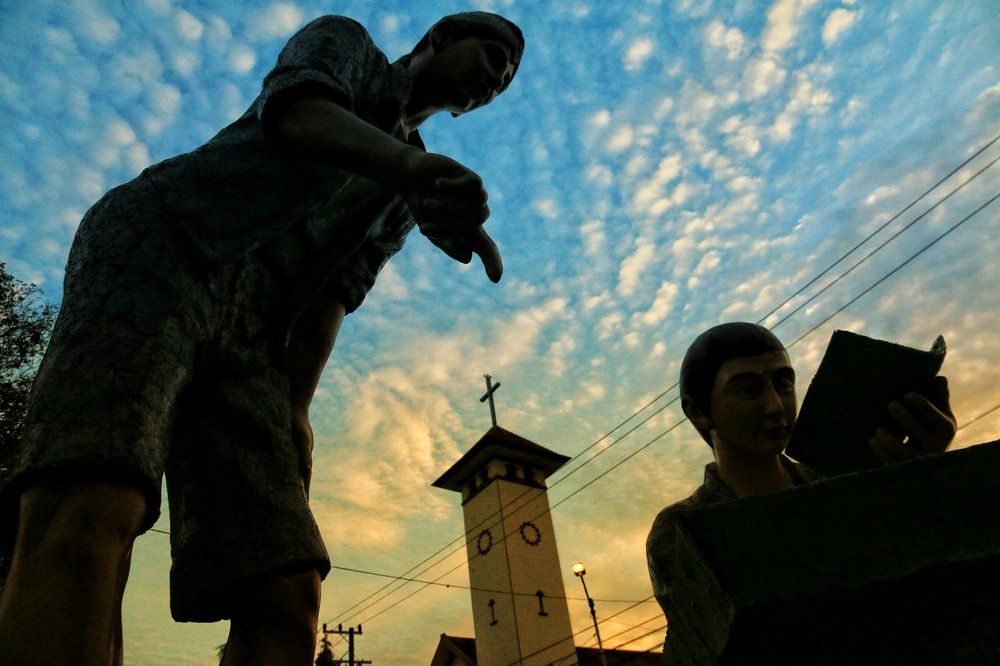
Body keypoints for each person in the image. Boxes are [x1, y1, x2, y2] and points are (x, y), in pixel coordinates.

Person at [0, 12, 524, 665]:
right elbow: (297, 114)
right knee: (92, 502)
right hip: (166, 243)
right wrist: (412, 171)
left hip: (252, 337)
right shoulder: (347, 44)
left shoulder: (402, 193)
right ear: (439, 39)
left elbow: (331, 296)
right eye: (494, 54)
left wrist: (295, 410)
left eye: (508, 76)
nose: (499, 77)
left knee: (284, 588)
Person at [646, 322, 957, 643]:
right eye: (749, 390)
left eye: (783, 385)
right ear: (697, 411)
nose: (775, 406)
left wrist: (924, 479)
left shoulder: (844, 490)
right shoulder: (681, 530)